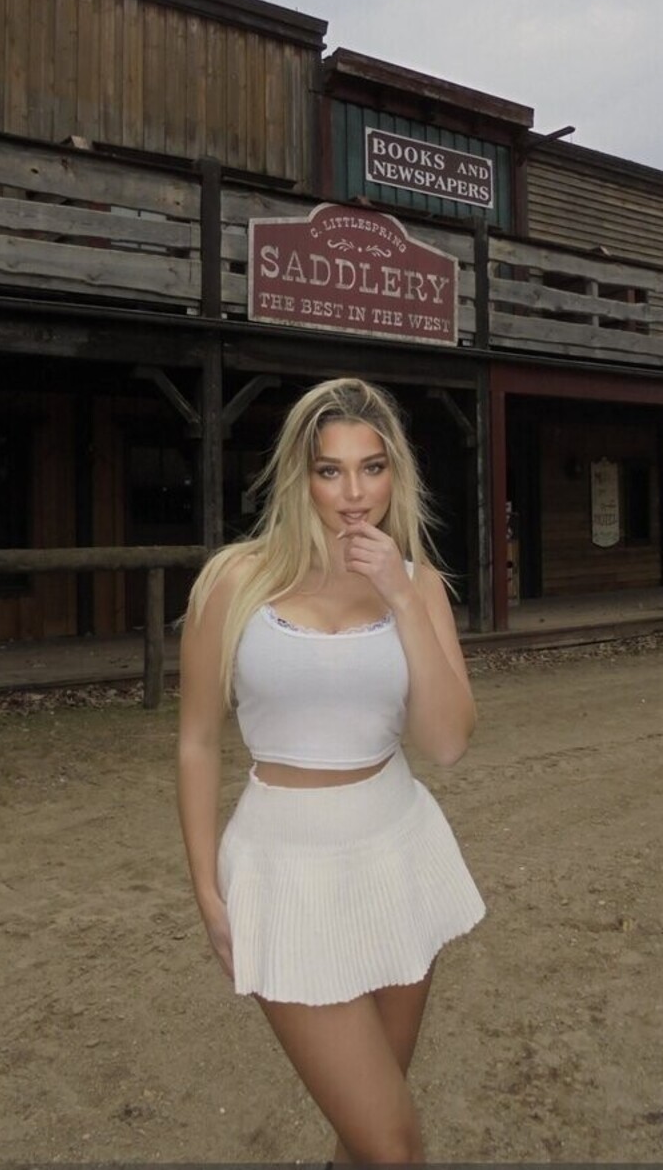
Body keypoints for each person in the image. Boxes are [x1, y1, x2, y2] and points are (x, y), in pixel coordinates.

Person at [177, 376, 485, 1165]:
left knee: (364, 1140)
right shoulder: (235, 583)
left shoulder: (420, 586)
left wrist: (401, 596)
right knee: (394, 1145)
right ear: (300, 476)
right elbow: (198, 741)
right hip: (284, 871)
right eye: (330, 470)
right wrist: (207, 889)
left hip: (397, 855)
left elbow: (447, 742)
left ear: (395, 474)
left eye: (371, 467)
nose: (354, 493)